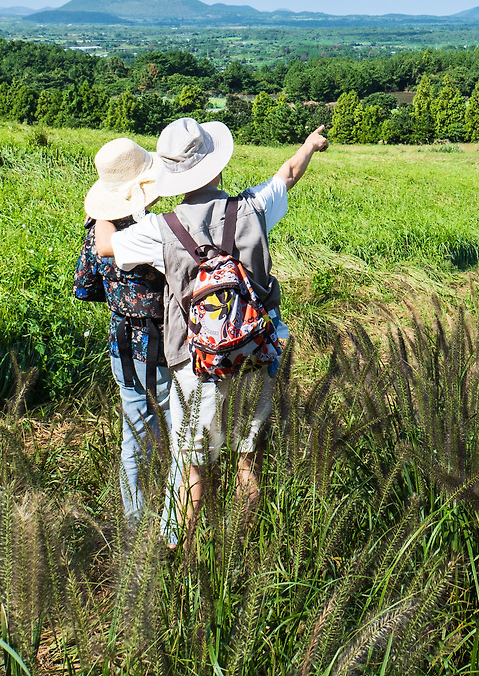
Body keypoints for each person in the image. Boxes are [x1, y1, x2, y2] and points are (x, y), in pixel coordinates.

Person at [95, 117, 328, 546]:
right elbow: (288, 174)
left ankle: (179, 565)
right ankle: (246, 553)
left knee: (193, 470)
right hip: (255, 354)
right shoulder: (253, 209)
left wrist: (105, 202)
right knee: (247, 465)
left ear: (168, 176)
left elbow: (105, 247)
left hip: (194, 366)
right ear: (216, 165)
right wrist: (311, 144)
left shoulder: (160, 229)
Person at [73, 137, 171, 537]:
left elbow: (85, 287)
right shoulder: (154, 229)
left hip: (122, 344)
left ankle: (134, 518)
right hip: (165, 343)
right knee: (179, 425)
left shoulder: (97, 234)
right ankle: (174, 520)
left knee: (136, 429)